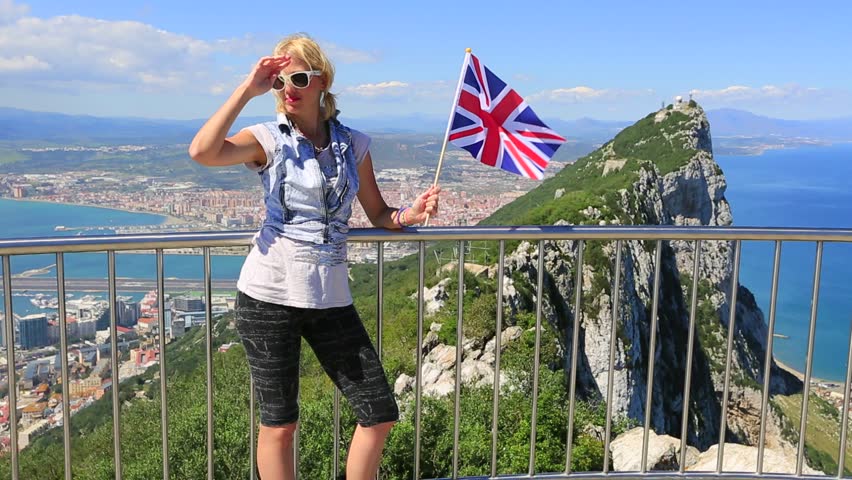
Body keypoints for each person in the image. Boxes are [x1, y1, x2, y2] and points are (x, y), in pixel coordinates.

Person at [189, 33, 440, 480]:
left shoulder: (353, 144)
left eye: (299, 78)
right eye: (279, 80)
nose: (288, 88)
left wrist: (410, 213)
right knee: (280, 423)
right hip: (267, 296)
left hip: (330, 299)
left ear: (322, 81)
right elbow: (203, 152)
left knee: (378, 412)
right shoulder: (266, 138)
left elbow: (378, 211)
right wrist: (248, 88)